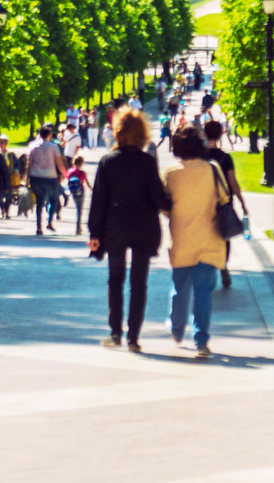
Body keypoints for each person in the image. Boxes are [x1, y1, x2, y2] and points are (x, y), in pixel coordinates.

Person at [86, 108, 168, 351]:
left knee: (115, 280)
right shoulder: (147, 161)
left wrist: (94, 234)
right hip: (144, 228)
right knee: (139, 283)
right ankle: (133, 337)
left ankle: (115, 332)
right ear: (143, 133)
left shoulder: (108, 161)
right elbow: (158, 198)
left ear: (117, 133)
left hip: (115, 229)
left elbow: (98, 201)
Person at [160, 124, 227, 359]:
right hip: (209, 239)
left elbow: (163, 204)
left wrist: (177, 214)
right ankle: (201, 340)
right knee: (204, 292)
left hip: (182, 239)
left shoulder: (171, 173)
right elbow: (224, 197)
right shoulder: (212, 169)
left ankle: (177, 329)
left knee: (179, 288)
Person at [203, 117, 245, 289]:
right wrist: (243, 203)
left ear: (205, 134)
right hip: (224, 202)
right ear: (220, 135)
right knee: (224, 235)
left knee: (205, 234)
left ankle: (207, 266)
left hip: (204, 202)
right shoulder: (225, 158)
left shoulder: (200, 156)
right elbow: (233, 183)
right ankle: (223, 264)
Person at [25, 127, 65, 236]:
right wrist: (65, 173)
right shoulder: (54, 147)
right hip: (50, 177)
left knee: (40, 202)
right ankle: (50, 221)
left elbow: (29, 164)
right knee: (53, 200)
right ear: (50, 135)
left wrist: (27, 179)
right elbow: (59, 163)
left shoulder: (33, 146)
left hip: (36, 177)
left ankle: (39, 226)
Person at [66, 153, 88, 235]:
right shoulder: (83, 173)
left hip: (73, 192)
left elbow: (68, 181)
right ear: (82, 163)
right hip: (81, 191)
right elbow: (87, 183)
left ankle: (78, 227)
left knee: (77, 207)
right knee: (79, 209)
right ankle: (78, 227)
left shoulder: (70, 172)